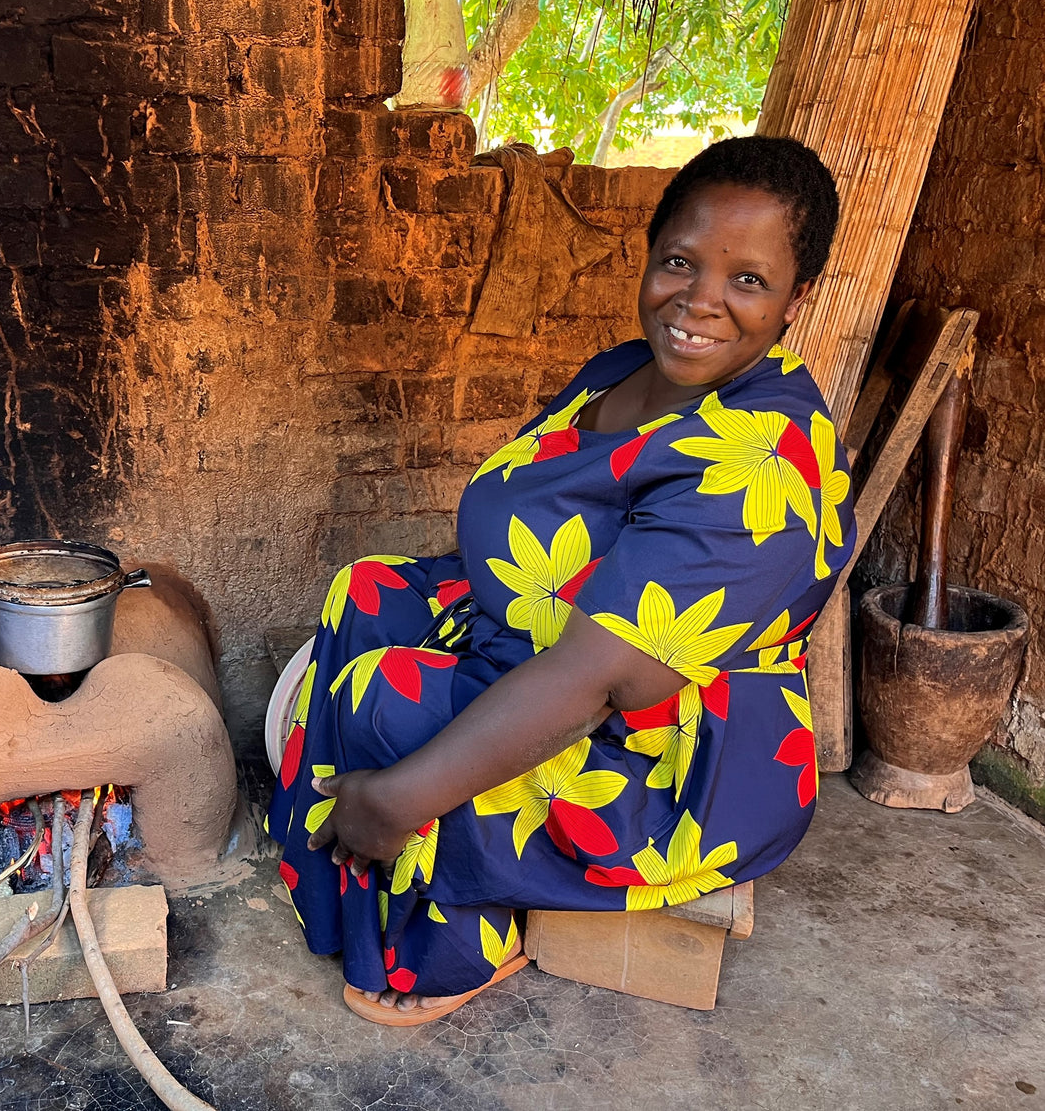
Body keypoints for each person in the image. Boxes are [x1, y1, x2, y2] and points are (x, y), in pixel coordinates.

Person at [266, 135, 856, 1025]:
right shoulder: (626, 369)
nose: (699, 301)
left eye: (748, 281)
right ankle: (353, 882)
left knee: (383, 700)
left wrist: (401, 795)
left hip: (659, 754)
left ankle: (453, 941)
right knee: (368, 589)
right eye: (680, 262)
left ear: (794, 299)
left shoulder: (762, 458)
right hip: (556, 644)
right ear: (651, 254)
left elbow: (604, 681)